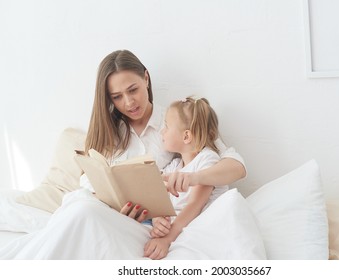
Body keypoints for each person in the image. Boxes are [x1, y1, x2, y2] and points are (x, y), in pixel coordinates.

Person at [0, 49, 245, 259]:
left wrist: (185, 187)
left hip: (144, 224)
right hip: (115, 214)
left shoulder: (177, 122)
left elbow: (234, 166)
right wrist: (117, 204)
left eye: (133, 90)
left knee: (82, 213)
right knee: (80, 207)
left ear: (146, 79)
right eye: (117, 97)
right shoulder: (110, 130)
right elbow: (90, 181)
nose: (128, 102)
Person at [143, 96, 229, 259]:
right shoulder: (175, 166)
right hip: (177, 228)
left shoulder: (207, 159)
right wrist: (157, 219)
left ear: (186, 136)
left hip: (197, 228)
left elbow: (195, 206)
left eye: (167, 127)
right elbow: (158, 198)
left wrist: (167, 239)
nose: (162, 132)